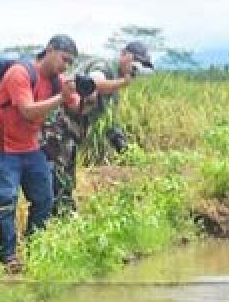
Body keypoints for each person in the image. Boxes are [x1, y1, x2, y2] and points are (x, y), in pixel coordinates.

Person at [0, 35, 79, 271]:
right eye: (64, 59)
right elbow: (28, 112)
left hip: (28, 146)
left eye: (70, 63)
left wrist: (85, 90)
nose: (65, 66)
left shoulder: (57, 81)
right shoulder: (20, 74)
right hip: (1, 146)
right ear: (50, 50)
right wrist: (60, 98)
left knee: (44, 197)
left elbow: (76, 103)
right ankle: (8, 258)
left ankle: (36, 249)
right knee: (7, 200)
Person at [42, 40, 154, 215]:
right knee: (59, 179)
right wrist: (124, 81)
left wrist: (125, 149)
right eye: (135, 60)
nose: (136, 67)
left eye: (142, 64)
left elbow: (109, 122)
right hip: (59, 127)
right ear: (124, 54)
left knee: (65, 179)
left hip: (72, 131)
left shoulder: (115, 81)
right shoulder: (105, 67)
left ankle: (61, 219)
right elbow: (94, 83)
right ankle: (56, 222)